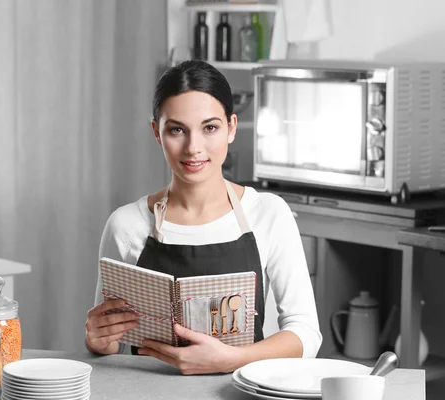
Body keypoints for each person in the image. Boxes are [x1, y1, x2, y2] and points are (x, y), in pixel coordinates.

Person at [85, 60, 322, 375]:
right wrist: (98, 340)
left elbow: (306, 334)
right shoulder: (126, 225)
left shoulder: (268, 213)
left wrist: (231, 359)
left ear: (231, 128)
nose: (193, 147)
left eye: (210, 127)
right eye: (177, 130)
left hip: (240, 392)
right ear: (157, 132)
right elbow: (111, 346)